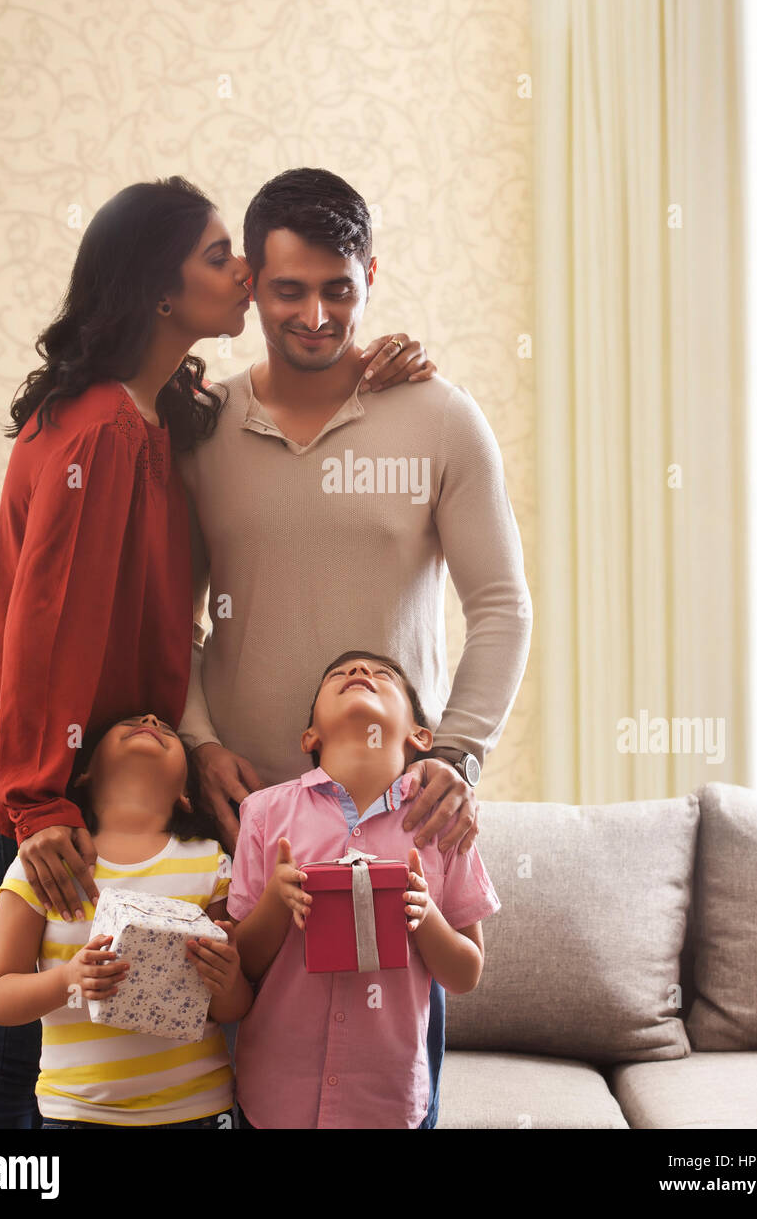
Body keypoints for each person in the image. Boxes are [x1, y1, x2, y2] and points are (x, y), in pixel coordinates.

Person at [0, 172, 436, 1128]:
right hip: (29, 782)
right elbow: (45, 630)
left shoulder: (161, 413)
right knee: (8, 1059)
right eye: (221, 257)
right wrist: (39, 800)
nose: (247, 272)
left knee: (124, 1027)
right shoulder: (104, 431)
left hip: (81, 776)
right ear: (160, 291)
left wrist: (367, 359)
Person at [176, 167, 533, 1125]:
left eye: (340, 288)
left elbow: (502, 605)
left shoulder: (438, 417)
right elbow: (167, 615)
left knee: (385, 1097)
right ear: (251, 283)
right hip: (241, 824)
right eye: (289, 288)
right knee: (242, 1097)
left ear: (371, 275)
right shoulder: (199, 426)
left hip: (392, 833)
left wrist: (456, 755)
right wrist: (201, 742)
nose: (316, 313)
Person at [227, 651, 501, 1129]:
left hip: (388, 1101)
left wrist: (425, 915)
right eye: (341, 674)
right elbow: (241, 965)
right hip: (274, 1096)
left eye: (382, 676)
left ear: (421, 736)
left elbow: (465, 974)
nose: (359, 674)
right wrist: (276, 900)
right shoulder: (263, 813)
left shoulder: (446, 827)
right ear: (309, 736)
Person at [0, 712, 251, 1128]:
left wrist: (229, 978)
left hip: (198, 1110)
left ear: (185, 792)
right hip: (75, 1112)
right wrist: (70, 978)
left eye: (166, 728)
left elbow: (230, 1008)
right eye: (130, 721)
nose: (150, 718)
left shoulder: (210, 862)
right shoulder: (43, 865)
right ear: (84, 772)